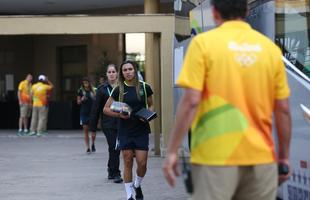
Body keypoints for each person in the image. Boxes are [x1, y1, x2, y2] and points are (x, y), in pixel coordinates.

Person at [162, 0, 292, 200]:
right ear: (247, 10)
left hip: (214, 158)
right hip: (261, 159)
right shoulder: (269, 49)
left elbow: (191, 101)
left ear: (214, 13)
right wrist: (283, 157)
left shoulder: (203, 44)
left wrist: (172, 150)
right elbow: (282, 109)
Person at [104, 60, 154, 200]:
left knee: (142, 163)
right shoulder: (118, 89)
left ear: (135, 70)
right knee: (127, 161)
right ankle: (129, 195)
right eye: (125, 70)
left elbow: (150, 105)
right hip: (125, 130)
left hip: (141, 129)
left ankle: (137, 185)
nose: (128, 72)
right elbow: (106, 109)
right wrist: (118, 114)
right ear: (122, 73)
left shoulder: (145, 87)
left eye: (130, 69)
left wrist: (148, 115)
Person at [89, 64, 123, 183]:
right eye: (109, 72)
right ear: (106, 74)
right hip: (108, 123)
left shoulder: (122, 87)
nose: (112, 74)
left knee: (114, 147)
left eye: (114, 71)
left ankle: (110, 169)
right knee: (115, 146)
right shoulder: (102, 89)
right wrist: (93, 127)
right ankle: (116, 173)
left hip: (121, 121)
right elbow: (96, 109)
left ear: (117, 73)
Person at [77, 77, 96, 154]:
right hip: (84, 113)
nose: (86, 84)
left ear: (89, 82)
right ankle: (88, 147)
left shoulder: (94, 90)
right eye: (84, 83)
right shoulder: (80, 91)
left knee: (93, 131)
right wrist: (81, 99)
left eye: (87, 82)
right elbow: (78, 102)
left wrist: (94, 97)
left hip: (93, 113)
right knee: (85, 130)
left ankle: (93, 144)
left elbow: (98, 100)